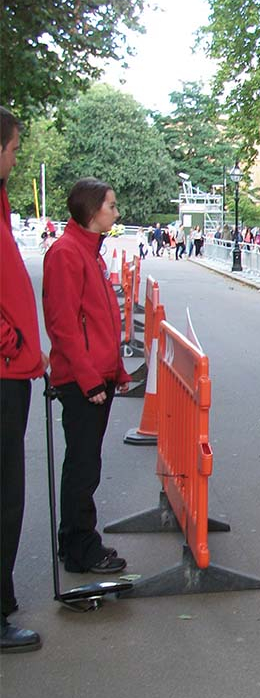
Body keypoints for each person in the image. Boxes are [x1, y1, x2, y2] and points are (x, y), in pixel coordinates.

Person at [42, 178, 131, 577]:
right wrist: (90, 377)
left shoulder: (88, 251)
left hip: (97, 375)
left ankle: (74, 542)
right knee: (83, 466)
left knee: (84, 462)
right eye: (111, 206)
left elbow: (99, 320)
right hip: (84, 380)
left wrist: (116, 370)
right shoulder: (67, 253)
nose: (116, 212)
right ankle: (81, 547)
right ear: (93, 211)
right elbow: (63, 325)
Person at [1, 107, 48, 652]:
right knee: (5, 492)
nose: (16, 157)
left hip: (13, 368)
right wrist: (13, 344)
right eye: (13, 148)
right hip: (4, 368)